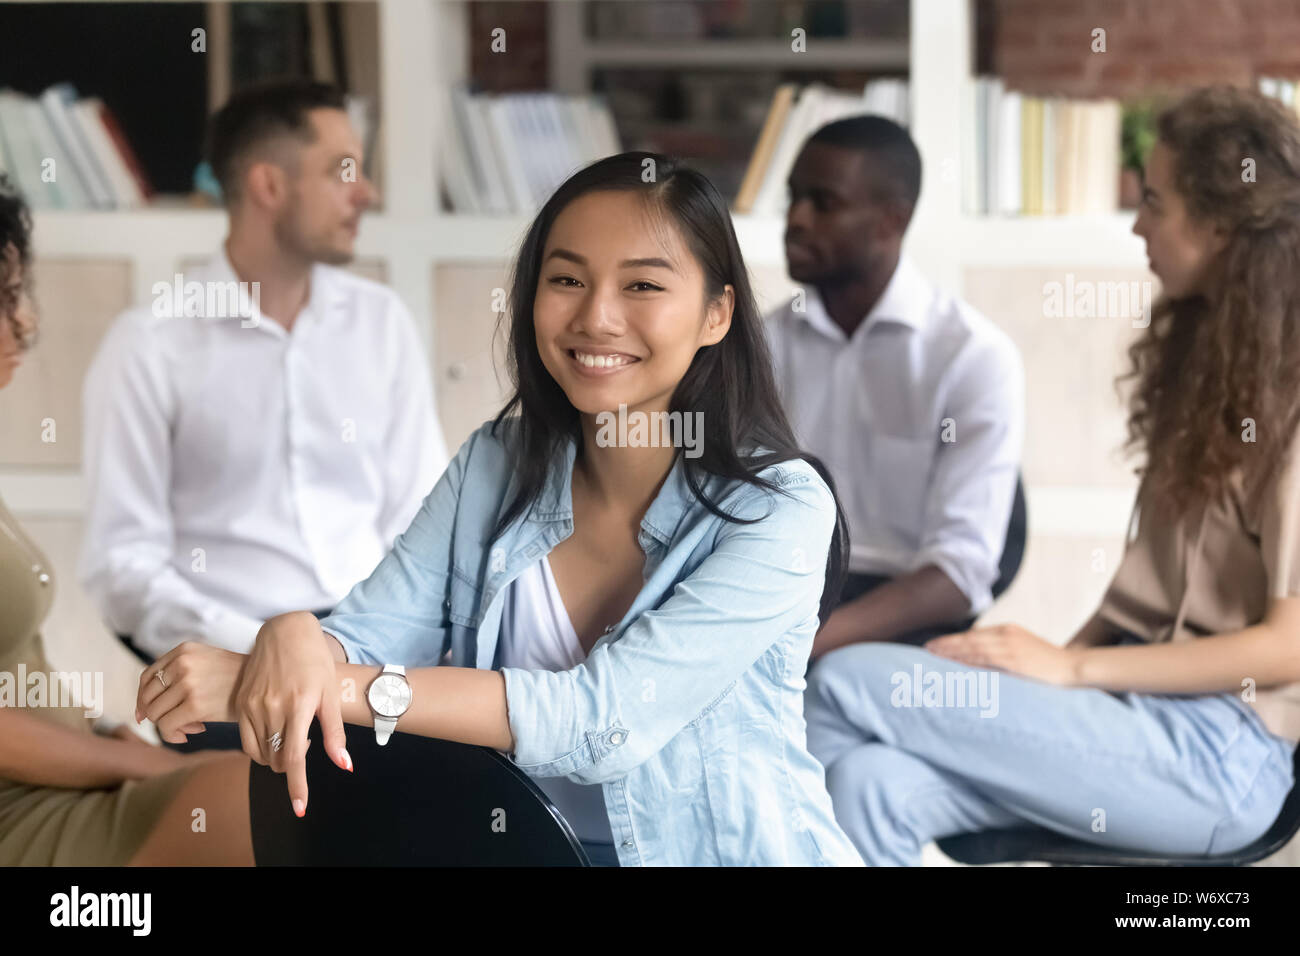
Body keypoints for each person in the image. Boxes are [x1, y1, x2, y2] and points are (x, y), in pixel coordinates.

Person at [136, 150, 867, 867]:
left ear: (717, 314)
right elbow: (369, 634)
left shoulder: (782, 509)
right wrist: (294, 638)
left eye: (643, 286)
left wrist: (278, 683)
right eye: (566, 279)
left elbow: (603, 719)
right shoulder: (497, 463)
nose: (597, 317)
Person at [801, 86, 1300, 865]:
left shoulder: (1292, 410)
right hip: (1128, 719)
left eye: (1156, 203)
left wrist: (1068, 669)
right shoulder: (1211, 380)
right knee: (867, 784)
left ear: (1222, 226)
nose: (1137, 223)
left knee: (846, 678)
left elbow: (1291, 645)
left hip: (1219, 754)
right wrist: (1037, 682)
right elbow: (1139, 602)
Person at [79, 79, 447, 750]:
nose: (366, 193)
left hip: (371, 663)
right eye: (344, 171)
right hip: (225, 676)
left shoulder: (381, 324)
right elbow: (122, 561)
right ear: (268, 186)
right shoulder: (152, 341)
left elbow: (421, 524)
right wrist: (258, 655)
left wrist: (339, 653)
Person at [0, 175, 254, 866]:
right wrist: (144, 766)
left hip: (66, 774)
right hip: (20, 809)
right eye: (7, 296)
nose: (26, 324)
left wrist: (114, 733)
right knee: (264, 807)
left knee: (290, 797)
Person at [764, 116, 1025, 658]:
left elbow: (958, 573)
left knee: (840, 696)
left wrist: (806, 644)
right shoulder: (763, 344)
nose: (795, 219)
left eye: (823, 203)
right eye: (792, 198)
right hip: (780, 592)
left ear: (890, 222)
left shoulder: (971, 357)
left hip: (905, 612)